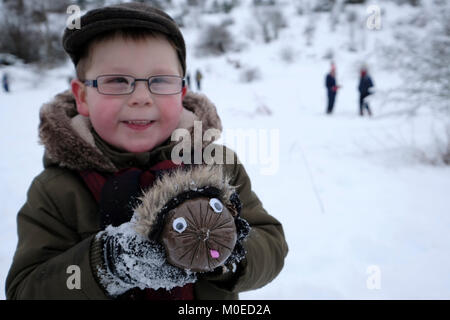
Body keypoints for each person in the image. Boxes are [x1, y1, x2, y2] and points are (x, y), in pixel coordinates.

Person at [5, 2, 288, 300]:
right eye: (116, 81)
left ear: (181, 93)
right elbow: (26, 290)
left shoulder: (218, 165)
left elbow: (271, 244)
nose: (141, 97)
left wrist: (229, 252)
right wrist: (108, 264)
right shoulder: (56, 191)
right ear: (83, 97)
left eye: (160, 81)